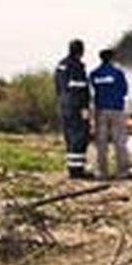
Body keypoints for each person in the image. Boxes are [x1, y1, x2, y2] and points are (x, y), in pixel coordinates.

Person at [88, 48, 132, 180]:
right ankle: (122, 172)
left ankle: (102, 172)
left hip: (101, 110)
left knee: (101, 142)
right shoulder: (118, 73)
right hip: (117, 110)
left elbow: (93, 90)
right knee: (119, 141)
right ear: (112, 58)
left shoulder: (94, 74)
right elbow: (125, 91)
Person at [53, 40, 92, 178]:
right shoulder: (76, 67)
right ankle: (77, 170)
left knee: (69, 136)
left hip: (64, 106)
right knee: (80, 136)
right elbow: (81, 90)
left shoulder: (61, 65)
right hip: (77, 108)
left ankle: (72, 168)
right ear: (80, 51)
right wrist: (85, 108)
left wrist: (62, 101)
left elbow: (58, 87)